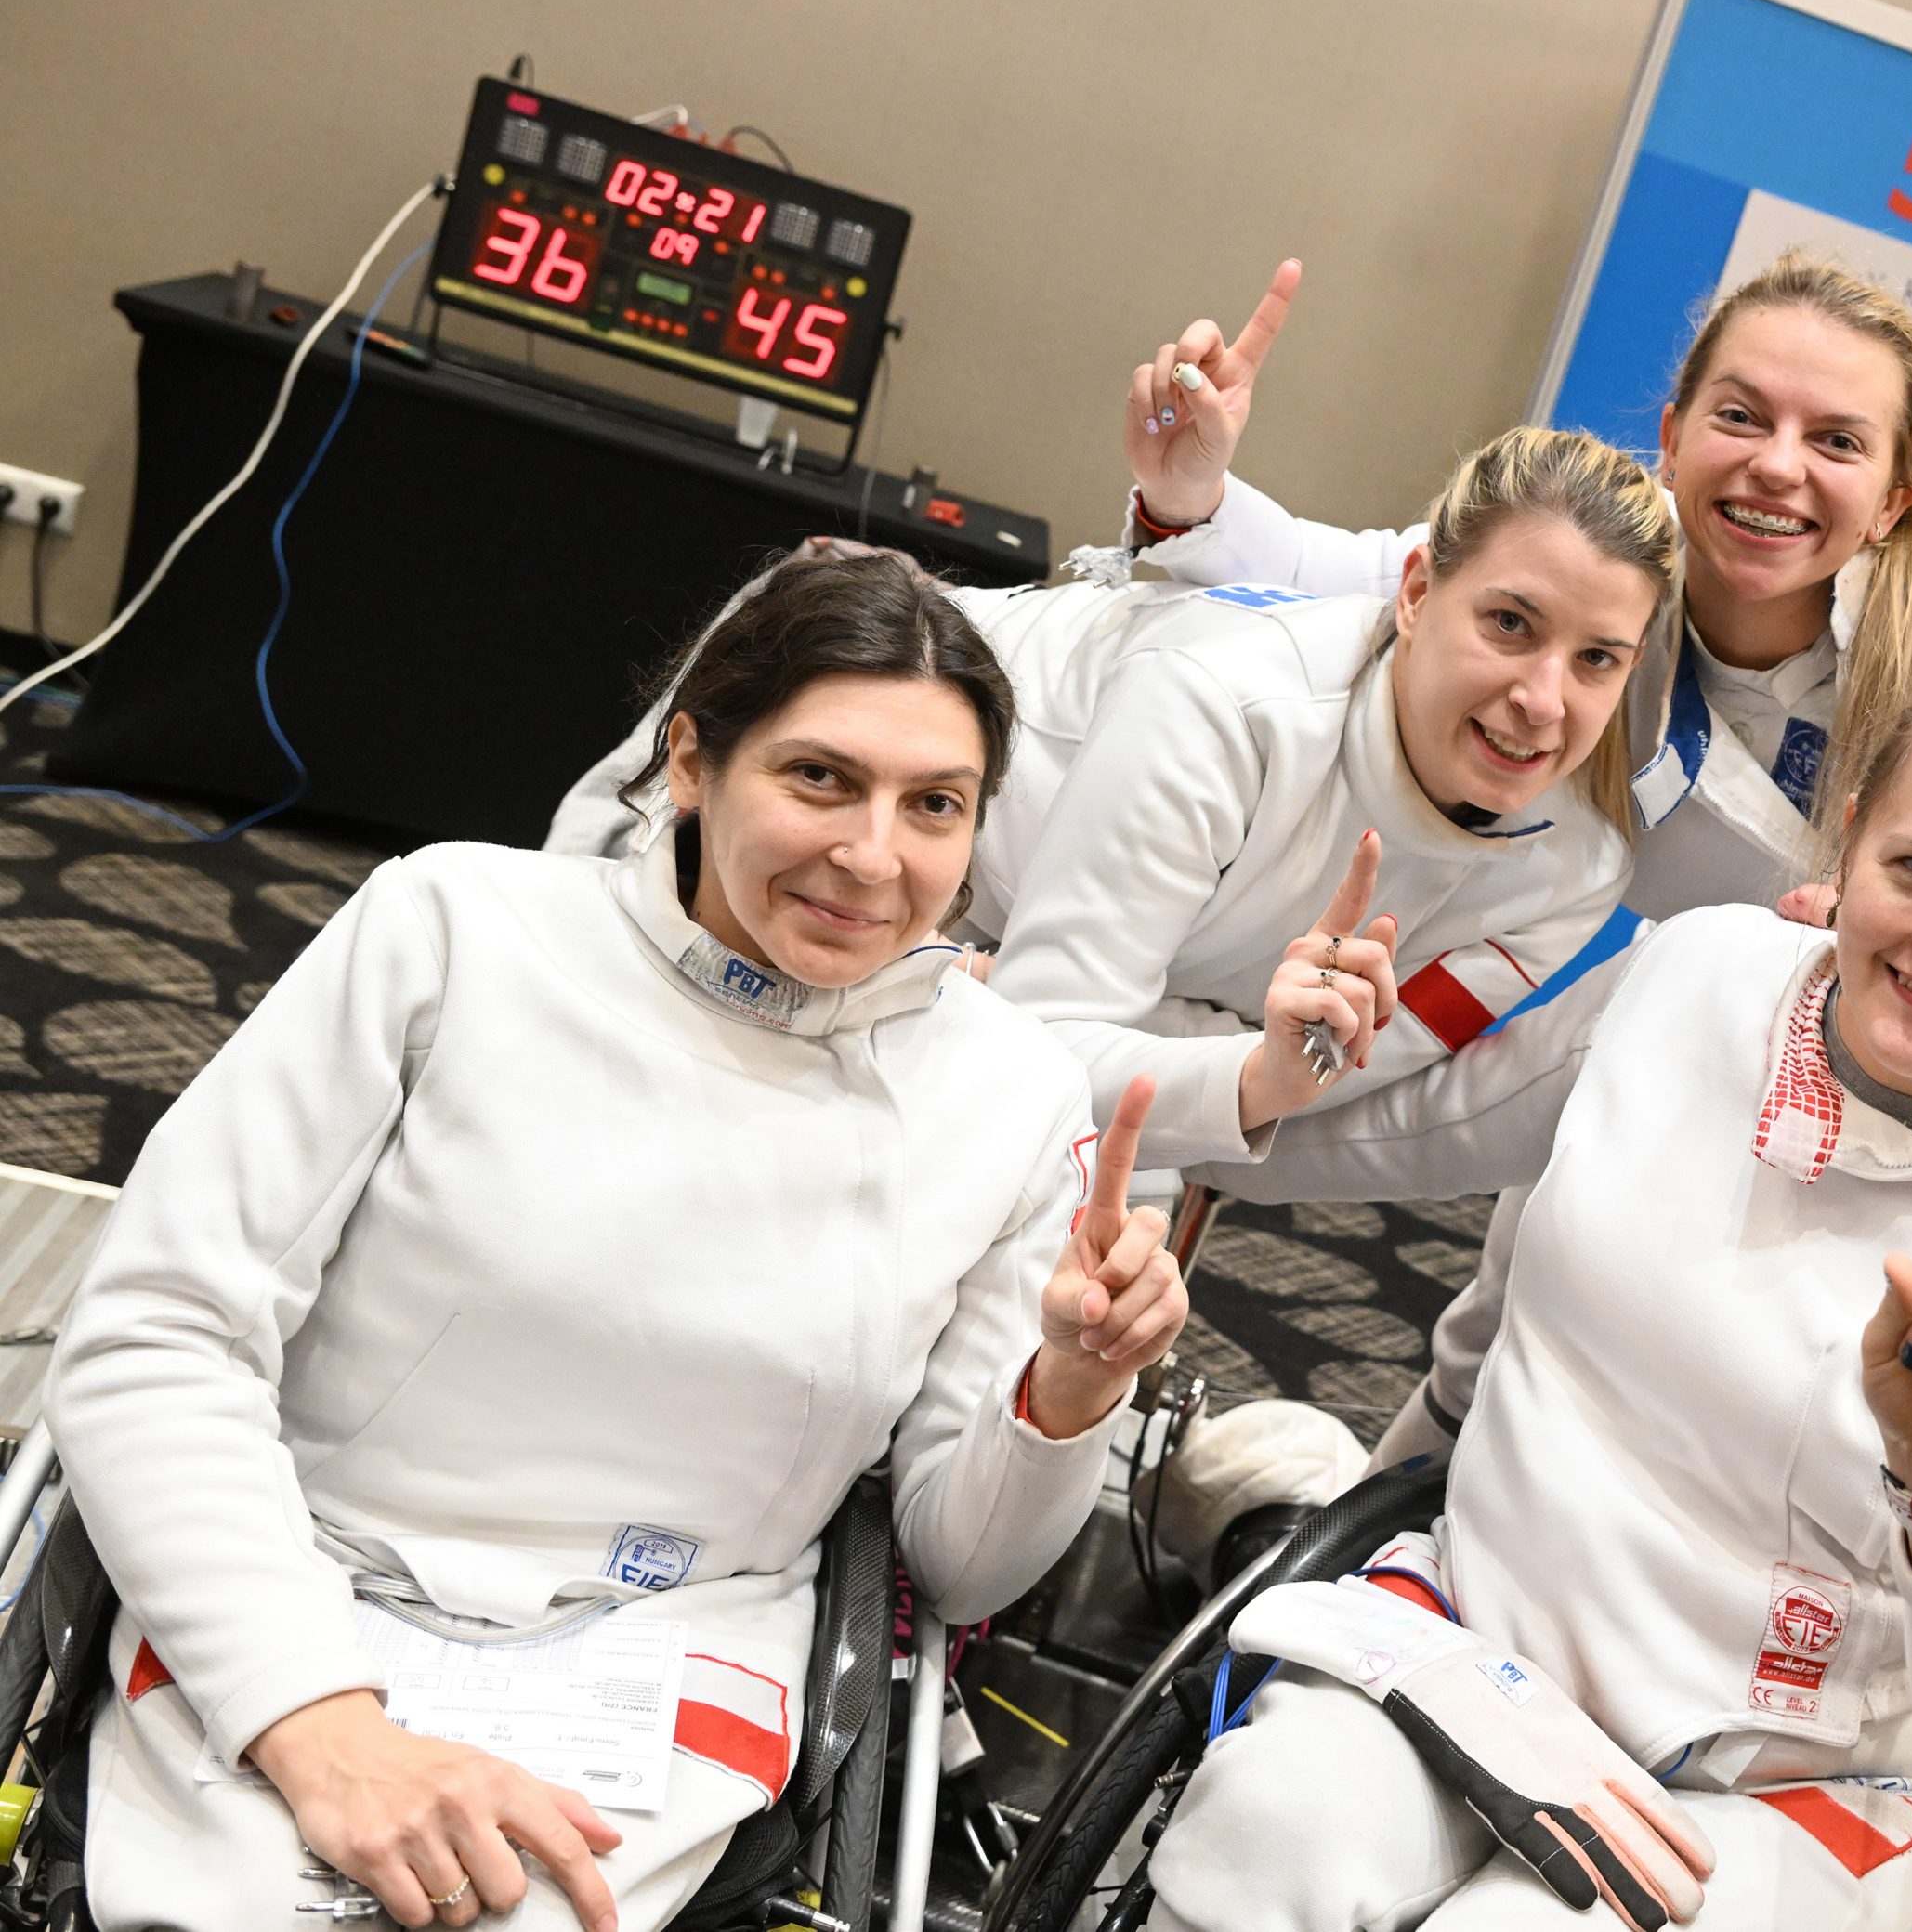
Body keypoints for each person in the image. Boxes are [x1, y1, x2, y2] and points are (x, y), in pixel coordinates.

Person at [45, 555, 1190, 1932]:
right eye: (820, 778)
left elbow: (961, 1568)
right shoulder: (454, 929)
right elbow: (157, 1336)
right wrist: (316, 1720)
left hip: (667, 1655)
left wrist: (1069, 1388)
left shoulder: (1010, 1095)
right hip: (304, 1577)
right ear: (692, 762)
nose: (874, 856)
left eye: (934, 805)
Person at [1147, 674, 1912, 1932]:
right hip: (1486, 1642)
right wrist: (1209, 1106)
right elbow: (1494, 1288)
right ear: (1850, 841)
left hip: (1792, 1788)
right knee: (1257, 1835)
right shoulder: (1694, 970)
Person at [1119, 250, 1912, 1448]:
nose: (1776, 465)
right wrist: (1193, 490)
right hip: (1671, 1030)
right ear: (1674, 438)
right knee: (1506, 1334)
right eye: (1742, 416)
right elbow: (1358, 570)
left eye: (1836, 441)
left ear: (1894, 497)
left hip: (1889, 1106)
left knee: (1774, 1423)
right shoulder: (1603, 561)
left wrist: (1884, 923)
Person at [548, 426, 1674, 1175]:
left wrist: (1221, 1057)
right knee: (573, 1051)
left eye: (1597, 660)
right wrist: (1230, 1053)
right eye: (1510, 624)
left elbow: (1316, 1078)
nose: (1541, 702)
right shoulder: (1227, 702)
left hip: (971, 949)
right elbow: (1044, 1048)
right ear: (1418, 592)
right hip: (809, 717)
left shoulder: (1575, 874)